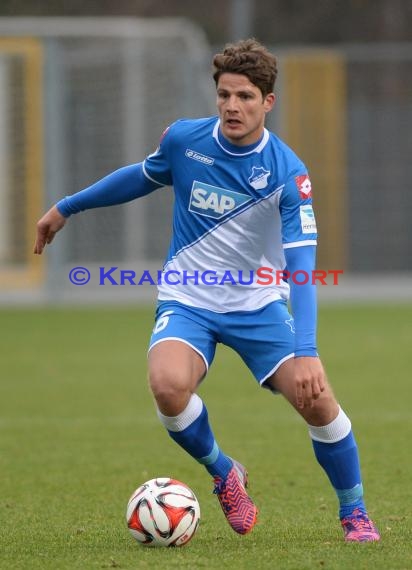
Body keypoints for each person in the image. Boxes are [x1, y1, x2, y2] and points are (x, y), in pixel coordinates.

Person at [34, 39, 380, 542]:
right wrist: (67, 206)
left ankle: (355, 513)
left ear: (268, 102)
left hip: (258, 303)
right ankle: (225, 474)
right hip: (189, 299)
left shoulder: (288, 173)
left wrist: (306, 350)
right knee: (168, 388)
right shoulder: (184, 140)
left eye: (244, 96)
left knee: (319, 403)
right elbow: (142, 177)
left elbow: (302, 267)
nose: (232, 107)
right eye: (223, 95)